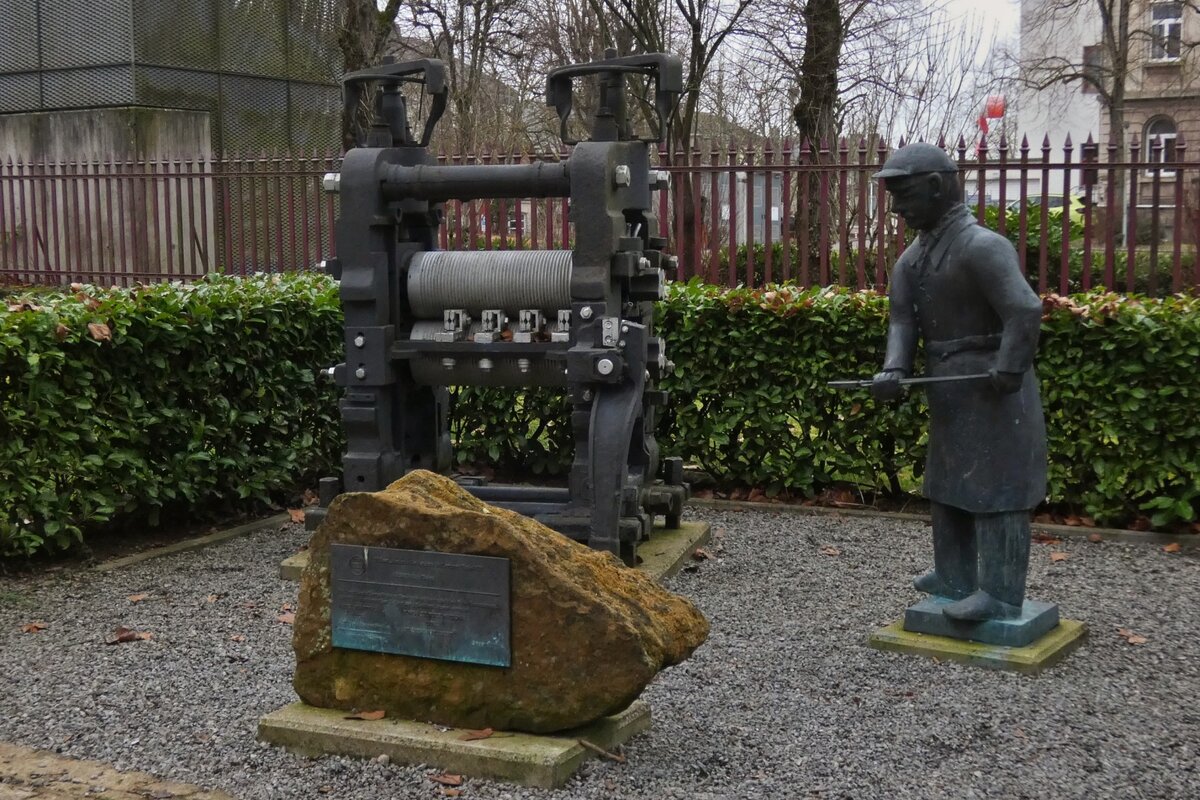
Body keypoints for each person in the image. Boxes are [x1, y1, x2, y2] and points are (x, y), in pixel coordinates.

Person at [871, 142, 1047, 622]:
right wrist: (895, 369)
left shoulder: (983, 247)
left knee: (998, 490)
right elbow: (902, 322)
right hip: (948, 387)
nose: (896, 208)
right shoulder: (911, 260)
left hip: (993, 388)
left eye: (903, 195)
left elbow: (1024, 309)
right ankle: (953, 575)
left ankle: (1002, 593)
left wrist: (1010, 366)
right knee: (948, 484)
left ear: (935, 186)